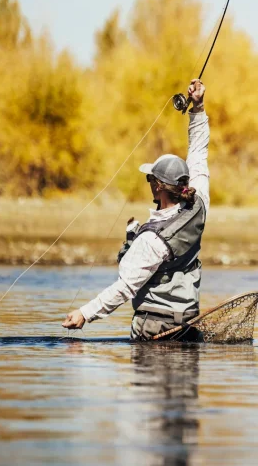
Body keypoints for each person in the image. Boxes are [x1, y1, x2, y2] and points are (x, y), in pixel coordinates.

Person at [62, 79, 210, 340]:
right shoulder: (199, 205)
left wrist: (85, 314)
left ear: (158, 188)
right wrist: (197, 108)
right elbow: (198, 154)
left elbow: (125, 288)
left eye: (150, 179)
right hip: (186, 323)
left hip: (154, 328)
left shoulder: (153, 240)